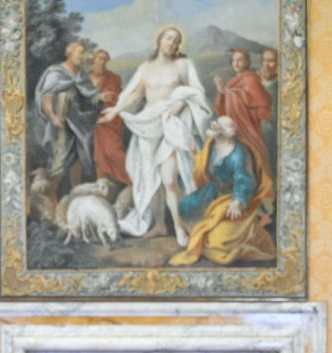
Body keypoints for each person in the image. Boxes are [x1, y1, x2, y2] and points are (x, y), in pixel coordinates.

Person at [100, 26, 212, 247]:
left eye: (176, 40)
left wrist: (182, 102)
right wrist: (115, 110)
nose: (171, 43)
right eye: (168, 38)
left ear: (178, 45)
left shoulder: (183, 65)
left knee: (169, 178)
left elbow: (197, 92)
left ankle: (180, 228)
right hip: (148, 125)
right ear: (160, 40)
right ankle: (159, 224)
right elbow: (135, 93)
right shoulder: (146, 67)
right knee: (151, 178)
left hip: (171, 125)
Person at [169, 116, 275, 266]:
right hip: (213, 191)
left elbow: (244, 180)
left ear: (226, 133)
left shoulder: (238, 154)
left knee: (219, 241)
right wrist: (192, 150)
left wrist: (237, 201)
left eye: (218, 125)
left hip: (231, 198)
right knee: (185, 207)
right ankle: (203, 230)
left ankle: (234, 232)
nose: (213, 125)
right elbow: (203, 162)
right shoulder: (213, 144)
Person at [34, 41, 104, 201]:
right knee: (60, 161)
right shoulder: (55, 72)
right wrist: (52, 116)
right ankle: (52, 201)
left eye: (84, 53)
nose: (83, 56)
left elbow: (89, 95)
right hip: (62, 122)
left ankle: (75, 198)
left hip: (80, 123)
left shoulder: (81, 74)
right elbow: (46, 96)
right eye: (80, 53)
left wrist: (99, 96)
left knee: (77, 159)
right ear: (70, 53)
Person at [213, 49, 272, 173]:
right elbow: (222, 109)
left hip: (248, 126)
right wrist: (222, 92)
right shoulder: (232, 82)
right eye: (234, 60)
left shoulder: (251, 80)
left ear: (247, 62)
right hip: (234, 127)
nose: (236, 63)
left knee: (250, 158)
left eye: (240, 60)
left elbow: (256, 101)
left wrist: (225, 91)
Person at [88, 49, 129, 186]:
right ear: (93, 59)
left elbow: (117, 98)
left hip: (108, 118)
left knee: (113, 152)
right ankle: (102, 180)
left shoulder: (113, 78)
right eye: (100, 58)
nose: (103, 61)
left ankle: (132, 178)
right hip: (87, 118)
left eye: (105, 59)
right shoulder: (83, 77)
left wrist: (107, 100)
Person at [259, 47, 279, 175]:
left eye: (271, 61)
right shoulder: (254, 81)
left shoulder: (281, 85)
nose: (267, 65)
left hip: (271, 134)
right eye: (264, 61)